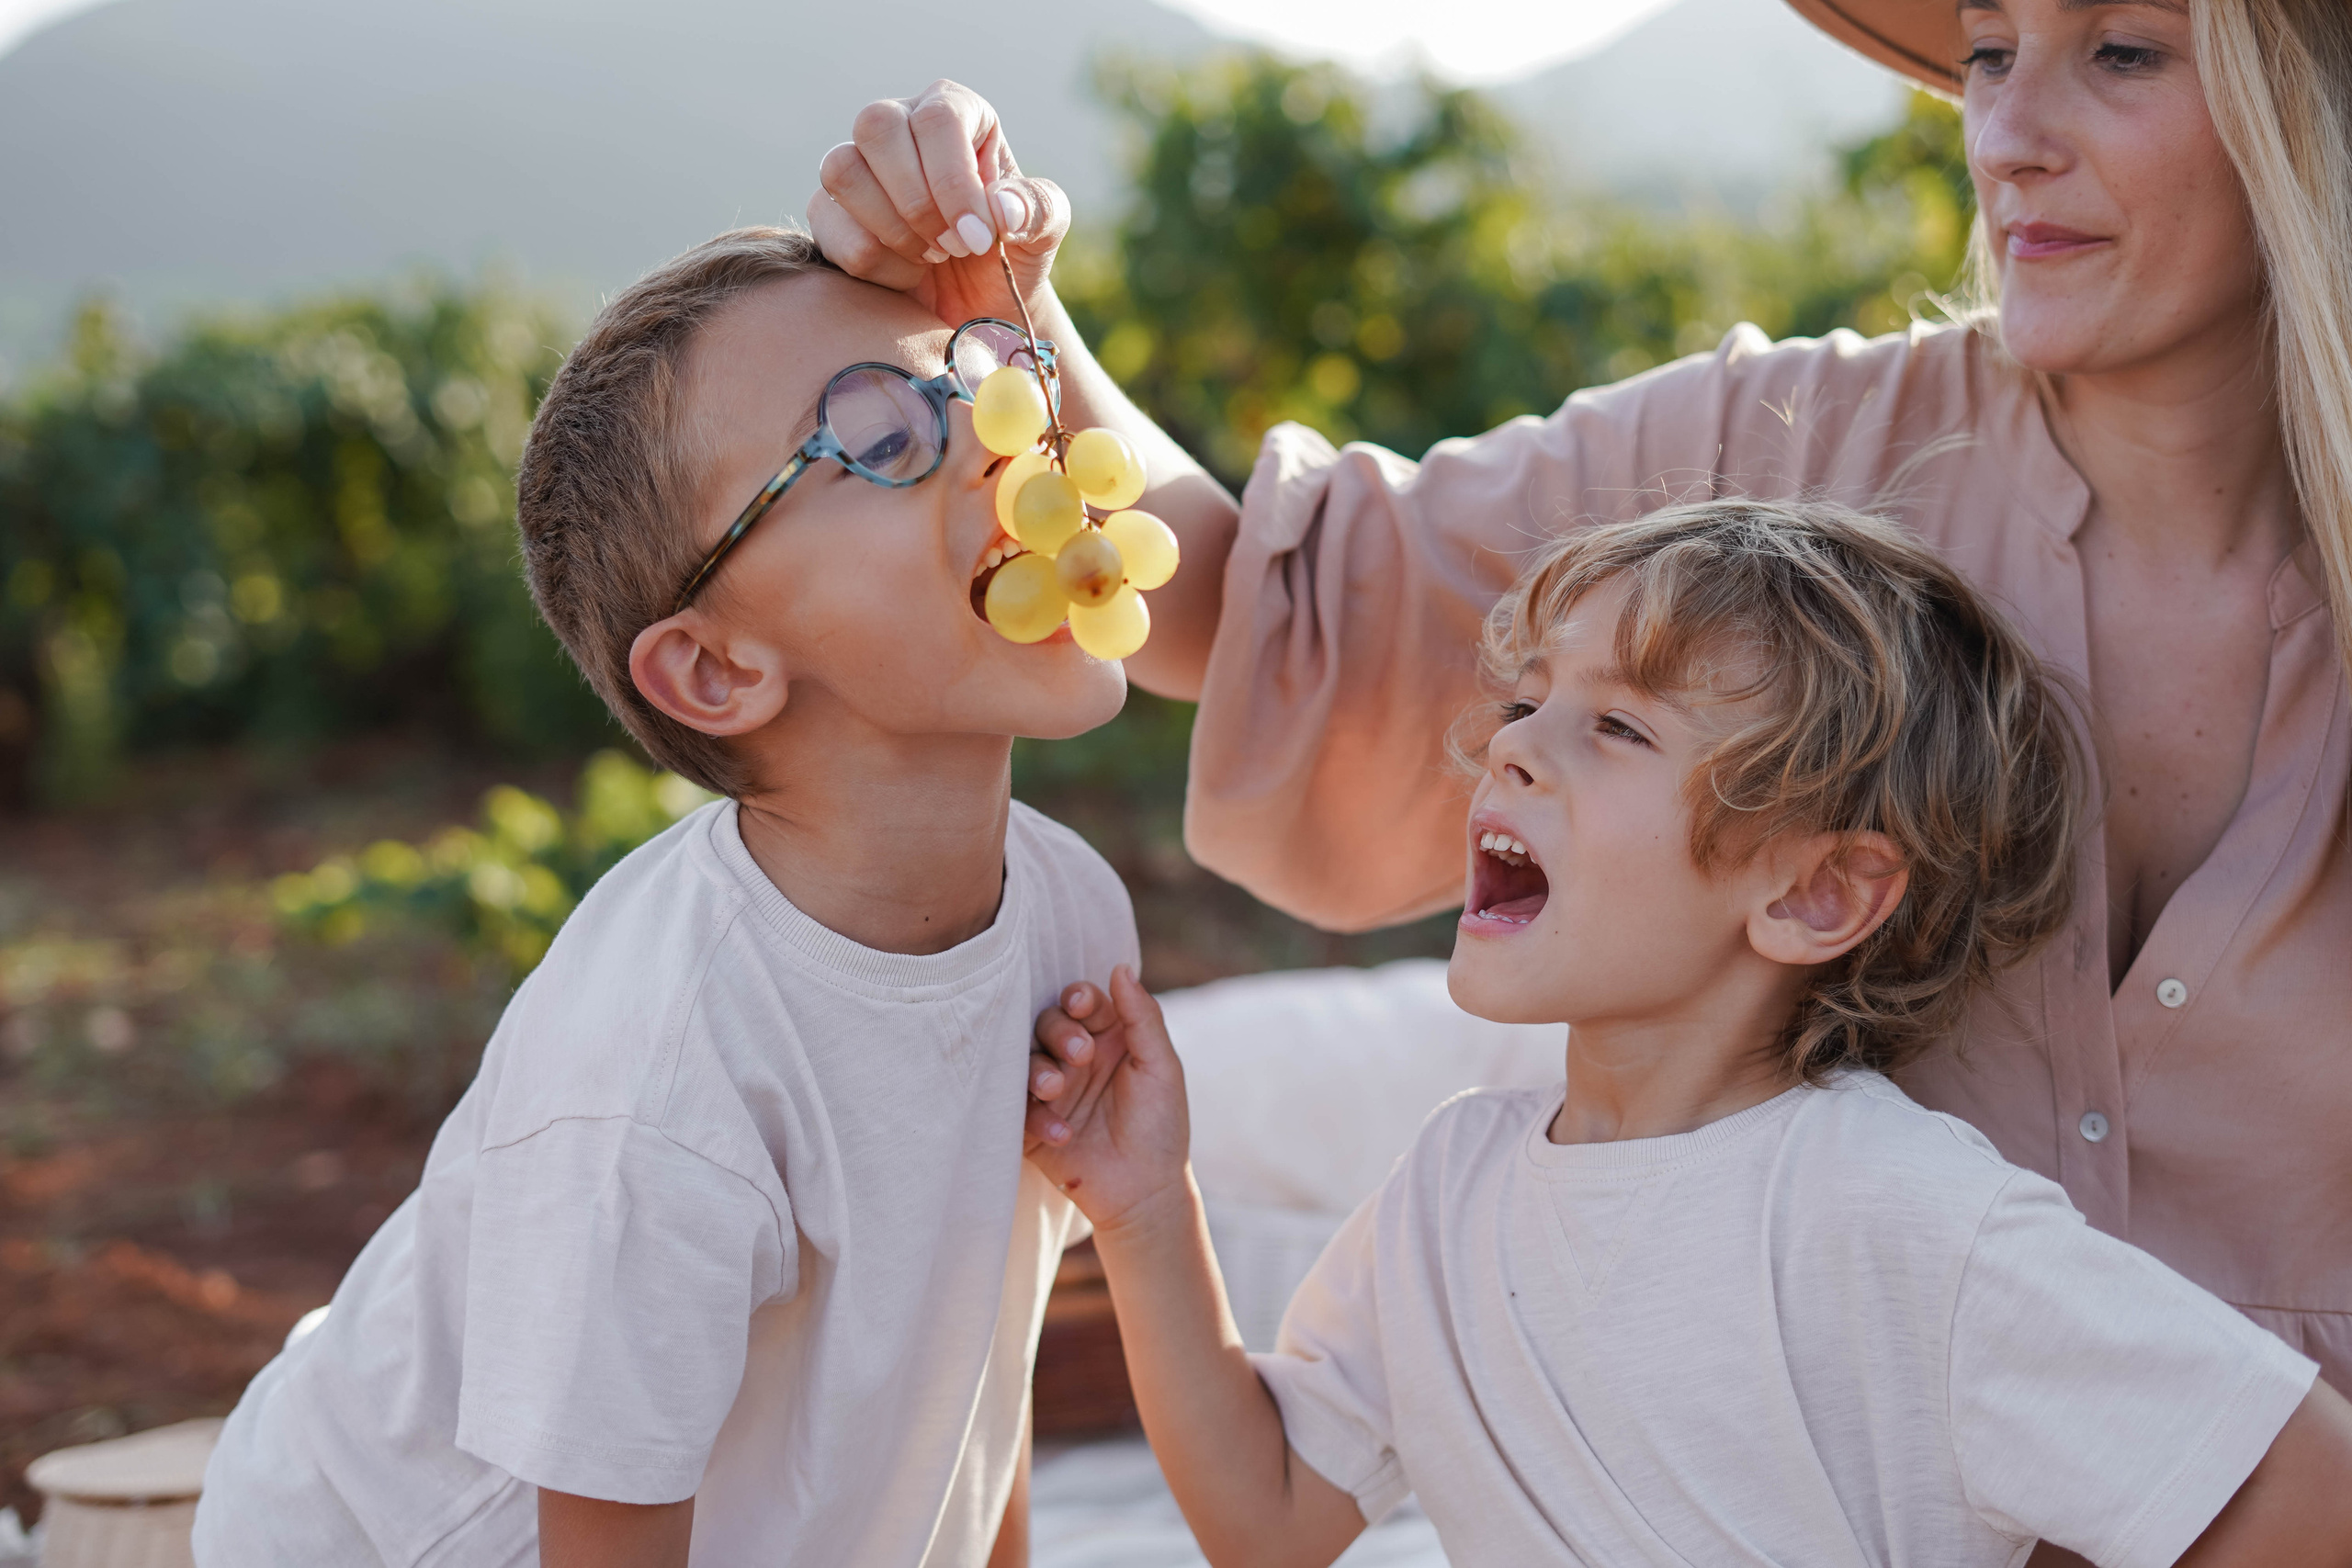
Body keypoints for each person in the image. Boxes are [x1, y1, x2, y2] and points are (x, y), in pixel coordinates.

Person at [810, 0, 2352, 1473]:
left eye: (2123, 50)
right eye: (1992, 51)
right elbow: (1262, 603)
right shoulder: (1787, 463)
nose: (2006, 134)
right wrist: (1003, 302)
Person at [1023, 499, 2352, 1567]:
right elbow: (1267, 1524)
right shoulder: (1445, 1191)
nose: (1512, 750)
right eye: (1527, 703)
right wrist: (1145, 1212)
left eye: (1617, 725)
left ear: (1816, 894)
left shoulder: (1902, 1215)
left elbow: (2313, 1499)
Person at [192, 229, 1139, 1567]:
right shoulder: (667, 1068)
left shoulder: (1068, 908)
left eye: (982, 374)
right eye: (879, 433)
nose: (1003, 444)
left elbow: (976, 1367)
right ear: (717, 670)